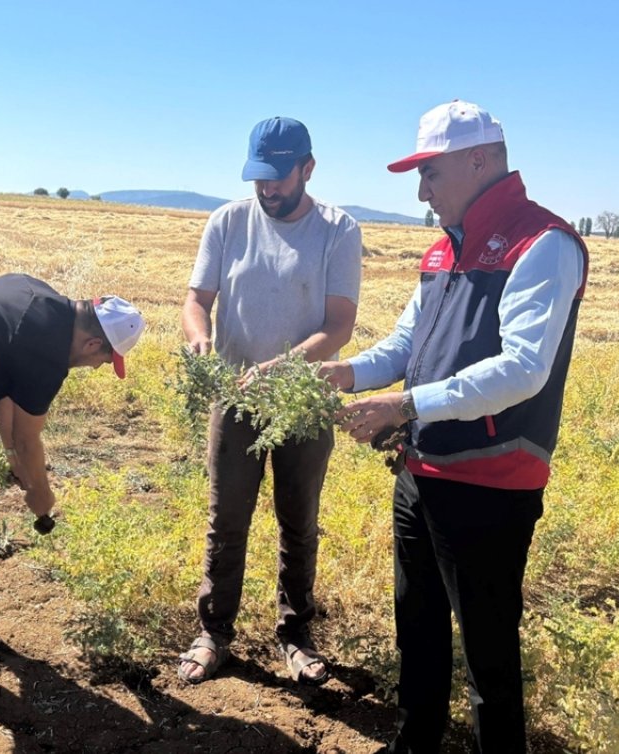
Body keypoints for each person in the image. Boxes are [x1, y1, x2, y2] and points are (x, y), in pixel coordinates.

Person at [322, 101, 588, 753]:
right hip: (423, 473)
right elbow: (407, 342)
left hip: (491, 482)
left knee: (488, 654)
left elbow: (524, 369)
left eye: (430, 173)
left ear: (479, 160)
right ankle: (416, 744)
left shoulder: (542, 244)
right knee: (418, 627)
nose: (421, 191)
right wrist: (346, 374)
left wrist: (405, 407)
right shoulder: (444, 249)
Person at [177, 116, 363, 686]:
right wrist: (200, 340)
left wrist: (281, 368)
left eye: (279, 178)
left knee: (297, 522)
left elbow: (339, 325)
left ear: (308, 168)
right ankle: (214, 633)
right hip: (235, 399)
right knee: (226, 519)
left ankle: (295, 635)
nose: (268, 190)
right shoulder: (228, 221)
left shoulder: (337, 230)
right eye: (259, 177)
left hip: (302, 401)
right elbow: (195, 302)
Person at [0, 274, 145, 681]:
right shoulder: (47, 350)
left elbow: (8, 395)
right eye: (104, 360)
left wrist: (16, 464)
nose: (97, 367)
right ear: (94, 344)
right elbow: (29, 440)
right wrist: (41, 498)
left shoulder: (40, 300)